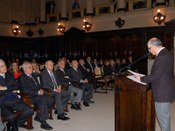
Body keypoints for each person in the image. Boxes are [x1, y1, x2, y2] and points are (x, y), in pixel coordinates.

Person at [136, 37, 175, 131]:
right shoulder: (166, 53)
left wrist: (141, 78)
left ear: (154, 46)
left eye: (149, 48)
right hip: (164, 89)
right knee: (164, 118)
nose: (149, 50)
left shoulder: (162, 56)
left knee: (163, 120)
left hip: (162, 92)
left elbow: (155, 76)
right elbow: (160, 73)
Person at [0, 59, 34, 131]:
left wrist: (5, 88)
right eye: (2, 66)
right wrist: (9, 89)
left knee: (30, 111)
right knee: (12, 117)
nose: (5, 67)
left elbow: (17, 85)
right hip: (3, 103)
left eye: (5, 65)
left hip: (14, 99)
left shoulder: (9, 75)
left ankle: (11, 124)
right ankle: (14, 127)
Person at [19, 61, 54, 130]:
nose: (32, 68)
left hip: (37, 94)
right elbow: (25, 90)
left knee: (51, 99)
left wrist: (41, 90)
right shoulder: (22, 77)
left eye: (31, 67)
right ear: (24, 69)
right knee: (42, 100)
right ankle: (43, 122)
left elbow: (38, 85)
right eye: (29, 67)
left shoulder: (33, 75)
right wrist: (37, 92)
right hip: (29, 97)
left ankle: (38, 116)